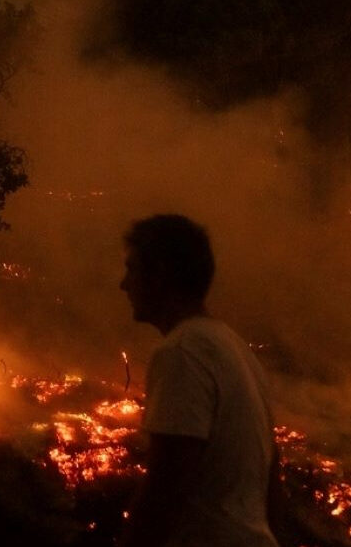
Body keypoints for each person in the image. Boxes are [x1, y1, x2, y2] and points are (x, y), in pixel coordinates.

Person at [118, 214, 279, 547]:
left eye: (132, 269)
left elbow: (166, 487)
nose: (123, 283)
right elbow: (271, 480)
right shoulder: (232, 347)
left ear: (159, 274)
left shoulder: (182, 351)